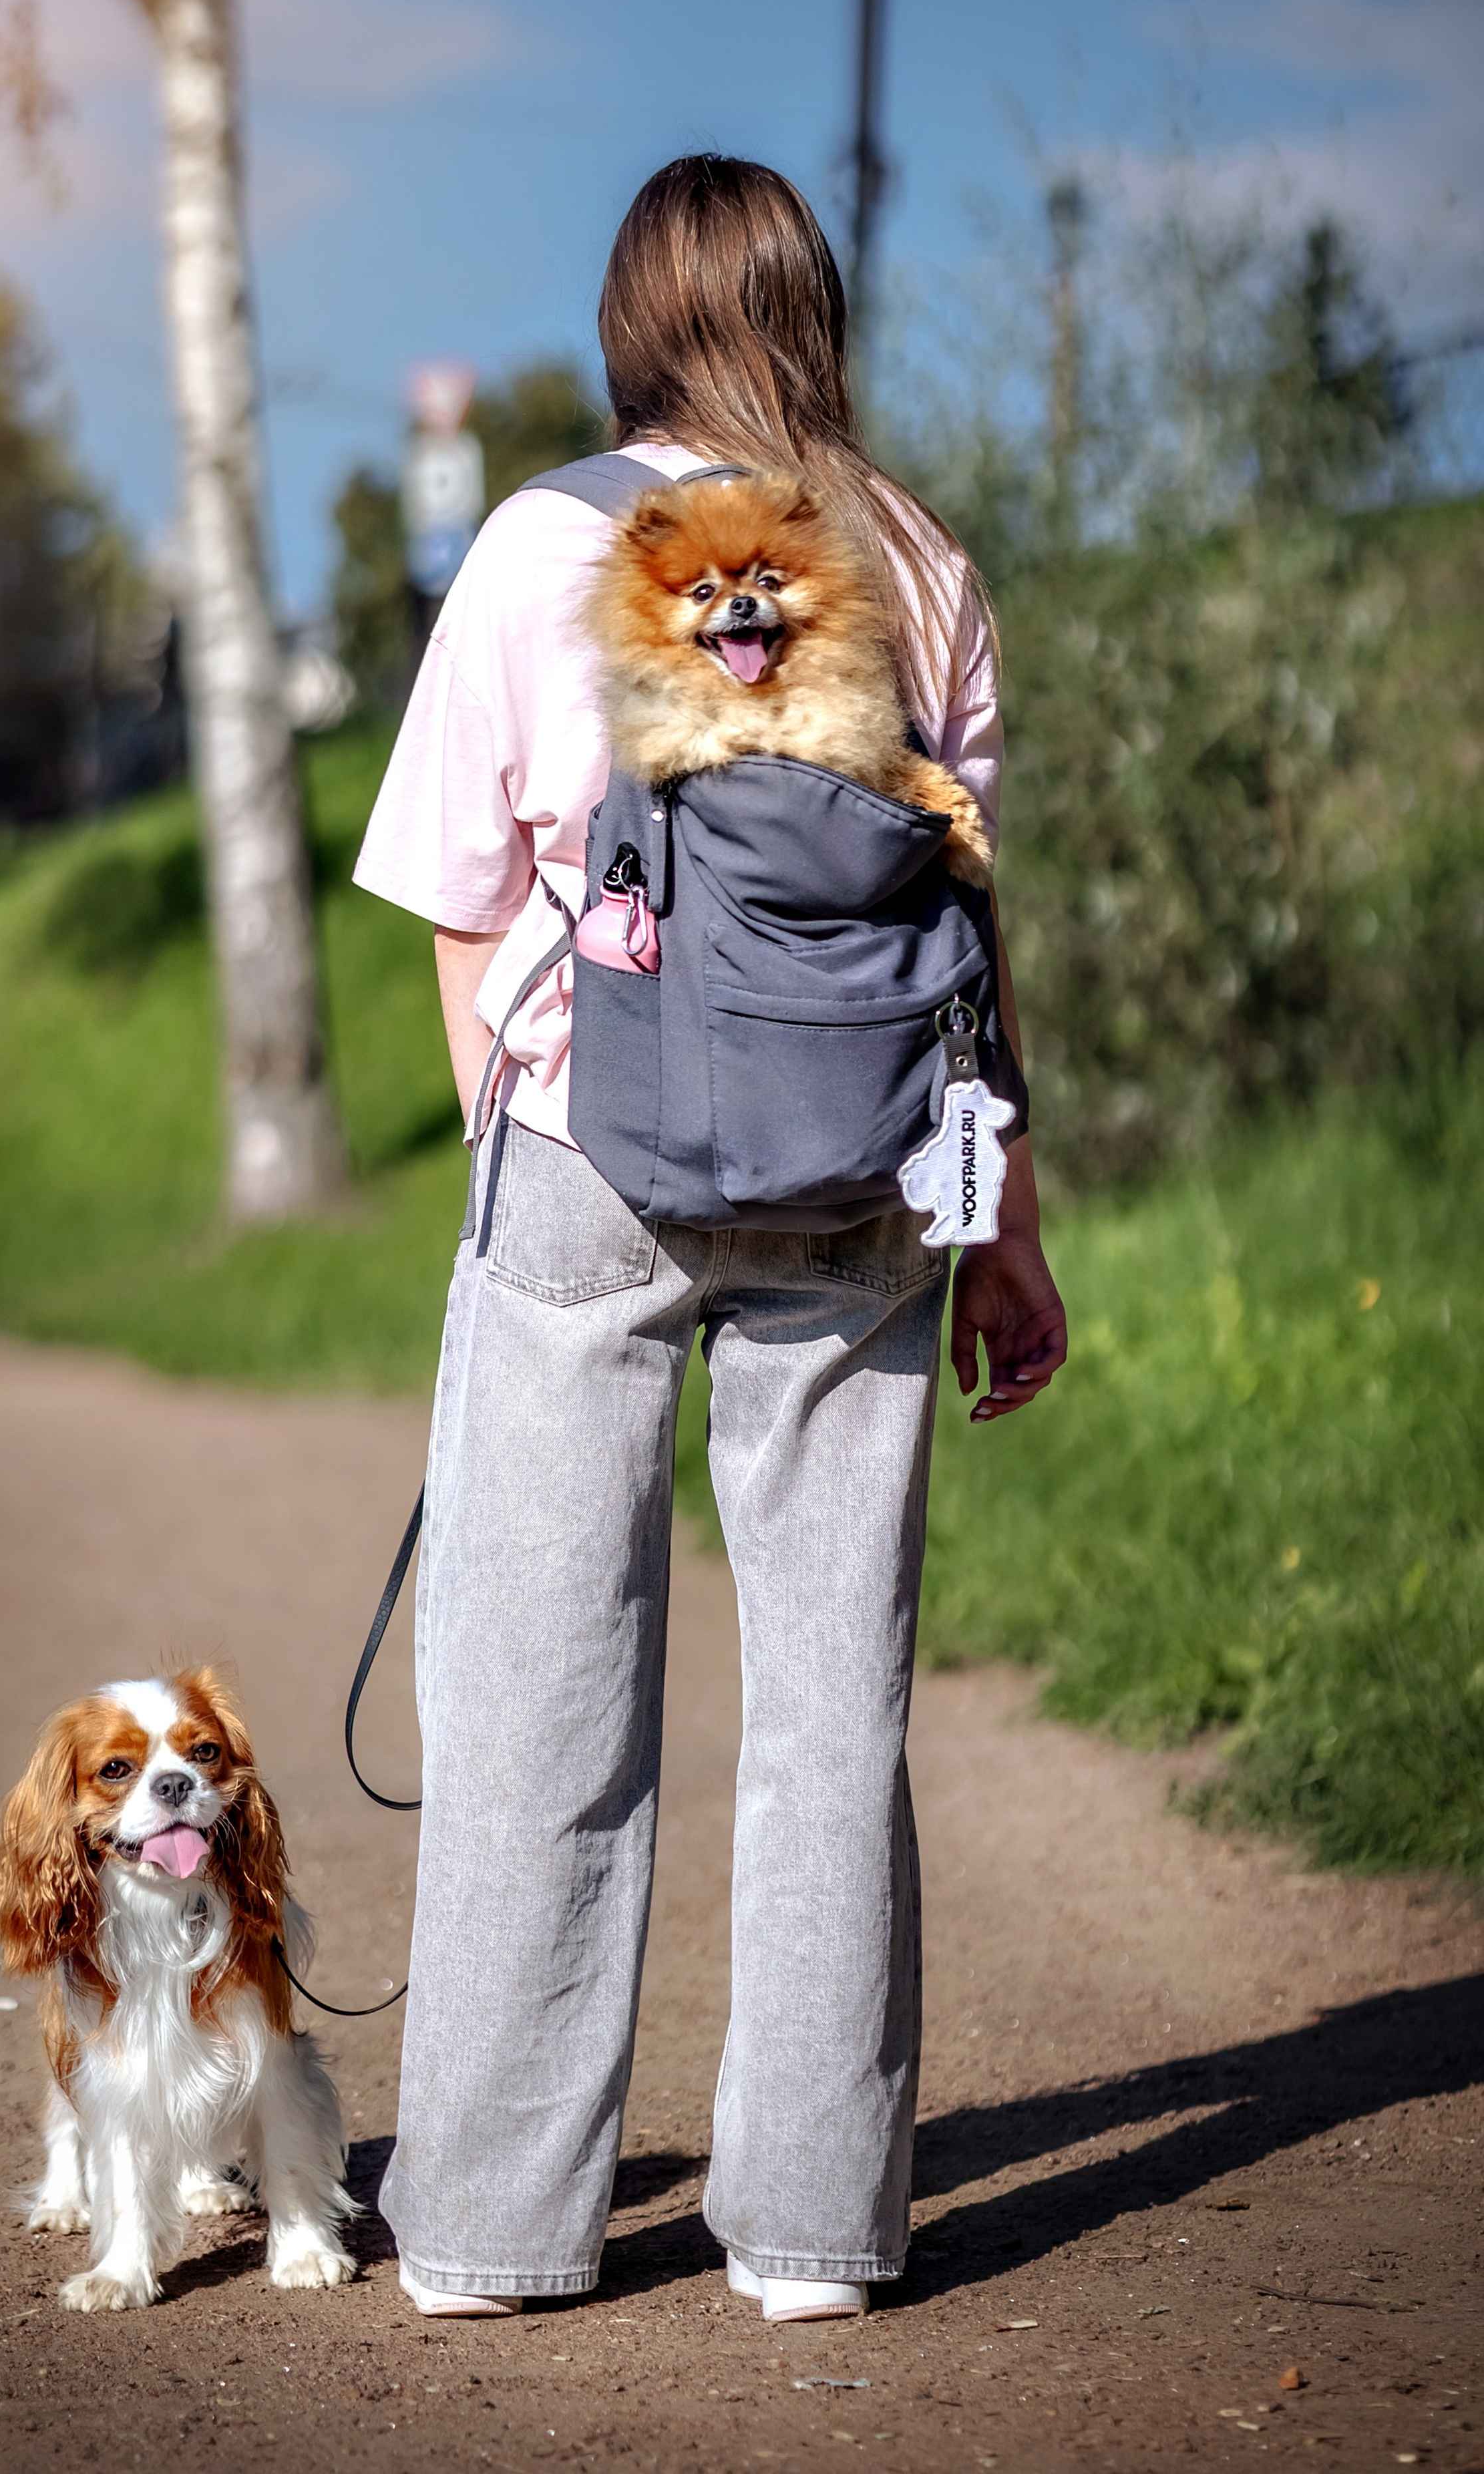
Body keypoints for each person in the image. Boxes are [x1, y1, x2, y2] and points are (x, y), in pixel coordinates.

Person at [352, 154, 1067, 2326]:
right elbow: (965, 926)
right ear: (808, 308)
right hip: (870, 1174)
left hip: (591, 1152)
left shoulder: (544, 542)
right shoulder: (920, 566)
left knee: (540, 1695)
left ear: (629, 319)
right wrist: (1007, 1222)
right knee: (836, 1705)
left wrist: (521, 1134)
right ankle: (822, 2236)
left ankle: (490, 2222)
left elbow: (466, 914)